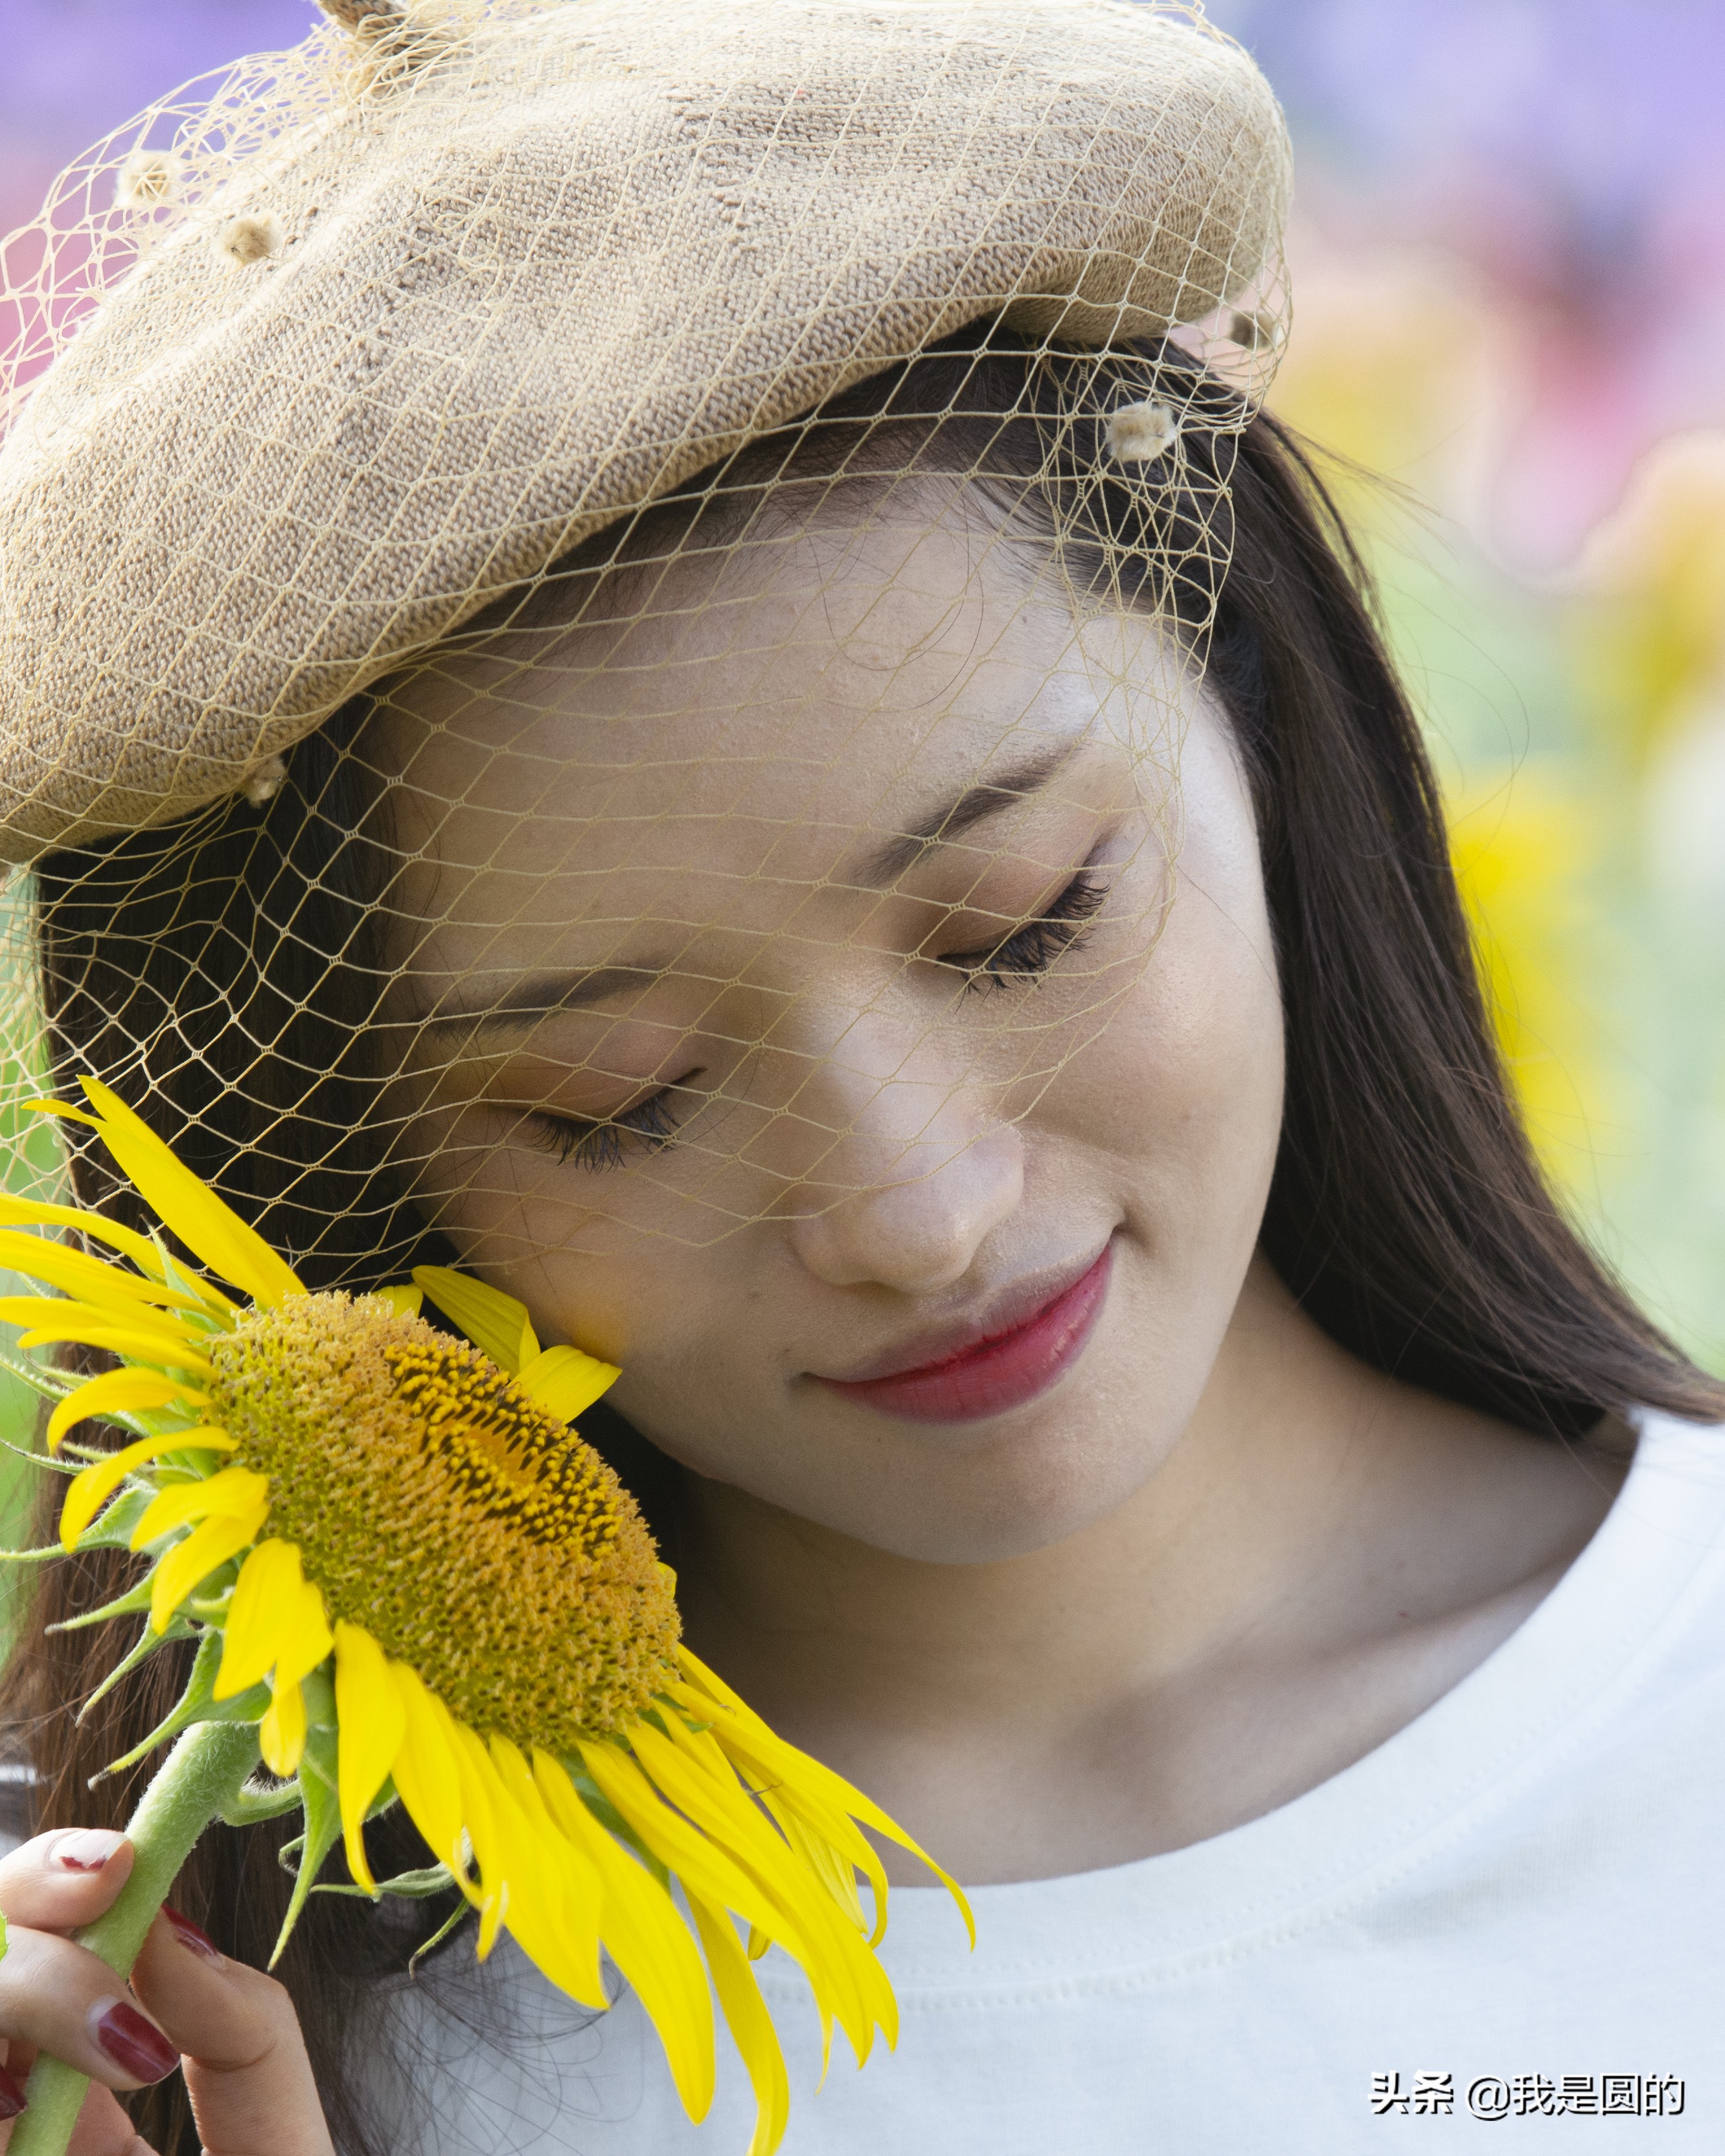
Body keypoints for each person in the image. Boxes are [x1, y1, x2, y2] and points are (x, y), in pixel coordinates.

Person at [0, 3, 1720, 2151]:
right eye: (617, 1099)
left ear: (1261, 722)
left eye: (1023, 922)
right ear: (352, 1179)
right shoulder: (245, 2023)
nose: (916, 1208)